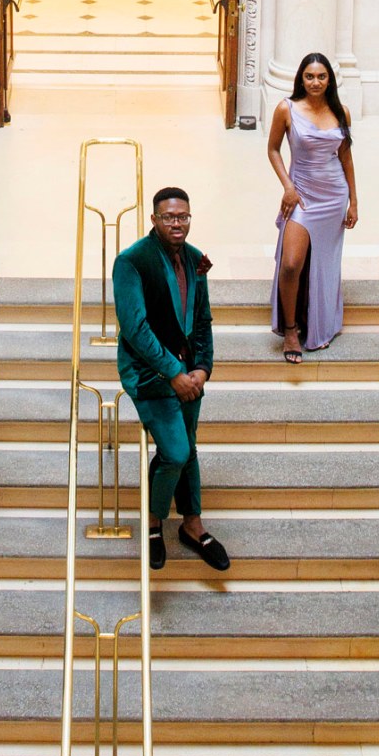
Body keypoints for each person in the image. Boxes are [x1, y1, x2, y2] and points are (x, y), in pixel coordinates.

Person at [113, 187, 229, 573]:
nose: (177, 223)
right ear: (153, 220)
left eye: (183, 217)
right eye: (168, 217)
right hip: (150, 375)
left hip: (189, 374)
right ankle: (153, 521)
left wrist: (202, 368)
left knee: (188, 449)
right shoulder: (131, 261)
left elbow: (203, 319)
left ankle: (192, 525)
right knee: (176, 451)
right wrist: (173, 372)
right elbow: (135, 328)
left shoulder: (196, 259)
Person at [267, 52, 358, 362]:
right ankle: (290, 329)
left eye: (321, 76)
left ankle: (319, 321)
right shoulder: (286, 108)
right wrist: (288, 187)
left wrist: (354, 201)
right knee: (292, 263)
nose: (315, 82)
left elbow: (345, 157)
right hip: (302, 193)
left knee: (322, 262)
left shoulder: (341, 111)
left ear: (329, 79)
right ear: (301, 79)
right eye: (309, 76)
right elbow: (273, 150)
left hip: (334, 196)